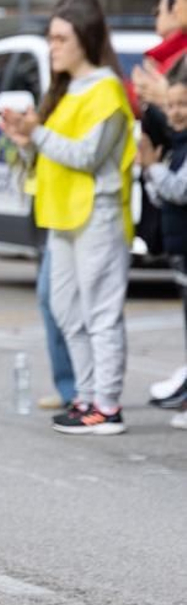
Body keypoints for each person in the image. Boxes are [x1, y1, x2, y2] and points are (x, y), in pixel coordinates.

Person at [0, 0, 135, 434]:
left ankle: (108, 404)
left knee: (100, 312)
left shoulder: (107, 90)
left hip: (98, 212)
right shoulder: (62, 91)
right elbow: (51, 158)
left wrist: (36, 132)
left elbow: (86, 156)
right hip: (61, 214)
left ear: (86, 39)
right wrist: (24, 140)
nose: (53, 46)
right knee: (66, 310)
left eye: (61, 38)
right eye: (50, 38)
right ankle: (86, 395)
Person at [137, 73, 187, 428]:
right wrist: (150, 170)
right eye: (170, 105)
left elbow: (181, 191)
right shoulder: (177, 147)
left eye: (183, 104)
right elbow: (162, 194)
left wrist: (153, 167)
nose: (175, 112)